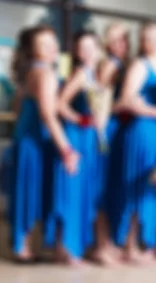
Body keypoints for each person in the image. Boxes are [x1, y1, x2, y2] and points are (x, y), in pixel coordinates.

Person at [7, 26, 80, 264]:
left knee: (26, 191)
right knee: (31, 190)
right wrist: (67, 149)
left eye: (53, 42)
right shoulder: (45, 73)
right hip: (36, 142)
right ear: (33, 50)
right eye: (44, 44)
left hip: (25, 138)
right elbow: (48, 114)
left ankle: (23, 244)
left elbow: (18, 108)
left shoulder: (29, 72)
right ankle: (24, 247)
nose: (52, 48)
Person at [108, 22, 156, 265]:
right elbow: (126, 100)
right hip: (141, 131)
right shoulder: (139, 65)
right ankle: (129, 245)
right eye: (147, 38)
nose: (152, 43)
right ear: (142, 41)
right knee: (135, 187)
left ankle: (144, 241)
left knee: (150, 187)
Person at [55, 31, 106, 264]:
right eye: (81, 48)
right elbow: (59, 103)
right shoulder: (80, 73)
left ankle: (73, 246)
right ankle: (66, 248)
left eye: (89, 47)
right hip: (76, 136)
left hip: (88, 139)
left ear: (98, 49)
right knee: (73, 191)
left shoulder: (93, 75)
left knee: (84, 191)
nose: (85, 52)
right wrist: (80, 120)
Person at [95, 22, 131, 265]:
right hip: (107, 129)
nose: (121, 45)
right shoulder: (110, 64)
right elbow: (100, 100)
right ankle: (101, 244)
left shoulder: (120, 65)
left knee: (110, 188)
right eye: (116, 40)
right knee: (102, 188)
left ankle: (107, 242)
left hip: (117, 129)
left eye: (124, 40)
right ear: (107, 42)